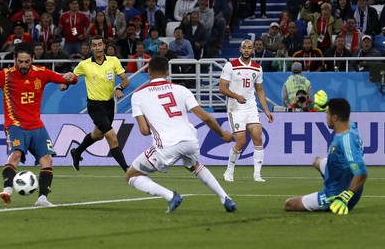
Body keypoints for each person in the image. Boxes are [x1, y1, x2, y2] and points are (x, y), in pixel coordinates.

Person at [0, 42, 78, 207]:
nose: (23, 65)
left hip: (37, 125)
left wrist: (72, 78)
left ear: (33, 59)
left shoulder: (42, 73)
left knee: (47, 160)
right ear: (14, 59)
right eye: (20, 61)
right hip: (15, 125)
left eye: (26, 61)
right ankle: (7, 189)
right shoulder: (5, 75)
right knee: (15, 155)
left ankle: (42, 198)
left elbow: (68, 79)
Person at [126, 55, 237, 214]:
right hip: (190, 140)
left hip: (166, 145)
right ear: (167, 71)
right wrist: (222, 134)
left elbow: (144, 131)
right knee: (194, 165)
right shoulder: (181, 89)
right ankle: (225, 198)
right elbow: (205, 117)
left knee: (131, 175)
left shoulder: (137, 95)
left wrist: (156, 121)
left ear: (148, 71)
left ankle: (171, 196)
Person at [285, 98, 368, 215]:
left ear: (334, 118)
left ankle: (330, 195)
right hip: (341, 173)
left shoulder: (346, 141)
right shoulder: (350, 125)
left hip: (338, 194)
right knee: (317, 161)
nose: (325, 115)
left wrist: (345, 196)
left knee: (289, 204)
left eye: (327, 113)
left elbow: (361, 173)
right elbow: (340, 111)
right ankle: (332, 181)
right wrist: (326, 106)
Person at [68, 35, 130, 172]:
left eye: (100, 45)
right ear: (91, 48)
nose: (97, 48)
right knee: (112, 137)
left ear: (104, 46)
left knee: (98, 135)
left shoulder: (113, 61)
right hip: (95, 106)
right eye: (94, 45)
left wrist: (119, 88)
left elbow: (125, 79)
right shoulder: (84, 65)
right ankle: (127, 169)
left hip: (109, 105)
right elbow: (73, 77)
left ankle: (77, 152)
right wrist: (65, 85)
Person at [220, 39, 274, 182]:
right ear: (240, 49)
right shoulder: (230, 65)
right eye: (244, 47)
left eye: (249, 48)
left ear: (253, 50)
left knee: (258, 137)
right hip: (235, 107)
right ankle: (229, 170)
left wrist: (266, 111)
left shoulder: (257, 68)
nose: (246, 50)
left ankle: (257, 175)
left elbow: (260, 90)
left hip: (251, 107)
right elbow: (222, 87)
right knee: (241, 141)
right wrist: (235, 96)